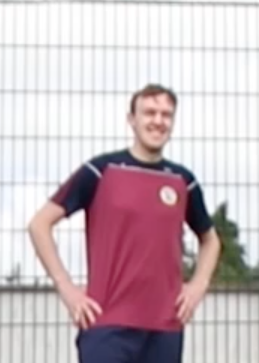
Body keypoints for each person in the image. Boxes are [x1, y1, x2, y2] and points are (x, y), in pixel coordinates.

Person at [27, 84, 220, 363]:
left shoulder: (182, 180)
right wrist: (67, 289)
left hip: (164, 327)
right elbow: (39, 225)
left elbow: (210, 240)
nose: (158, 121)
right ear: (132, 120)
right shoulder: (101, 171)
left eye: (166, 115)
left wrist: (198, 285)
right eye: (149, 113)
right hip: (107, 325)